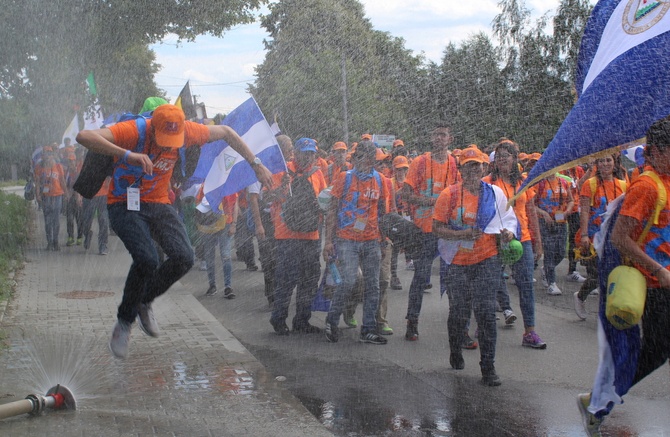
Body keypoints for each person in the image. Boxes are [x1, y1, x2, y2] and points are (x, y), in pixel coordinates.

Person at [76, 103, 272, 358]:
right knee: (147, 259)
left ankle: (144, 301)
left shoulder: (188, 130)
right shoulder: (135, 130)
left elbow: (226, 132)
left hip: (158, 203)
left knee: (184, 257)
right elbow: (84, 137)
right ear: (153, 128)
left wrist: (256, 163)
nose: (170, 145)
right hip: (124, 204)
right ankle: (124, 322)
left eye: (174, 140)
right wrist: (127, 154)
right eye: (164, 139)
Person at [577, 117, 670, 435]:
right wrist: (659, 269)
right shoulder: (646, 186)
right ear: (656, 152)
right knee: (656, 352)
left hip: (663, 278)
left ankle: (599, 399)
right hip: (652, 282)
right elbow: (620, 238)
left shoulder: (667, 181)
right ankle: (599, 401)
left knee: (657, 352)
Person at [433, 146, 516, 386]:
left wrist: (508, 234)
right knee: (459, 312)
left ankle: (487, 367)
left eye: (476, 165)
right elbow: (436, 228)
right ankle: (455, 350)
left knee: (486, 312)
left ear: (484, 168)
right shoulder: (449, 195)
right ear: (460, 169)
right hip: (457, 261)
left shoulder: (495, 194)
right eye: (467, 166)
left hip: (487, 259)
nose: (472, 170)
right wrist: (462, 234)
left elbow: (508, 221)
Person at [323, 140, 391, 344]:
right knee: (349, 281)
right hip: (346, 239)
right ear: (356, 158)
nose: (367, 161)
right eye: (362, 157)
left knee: (373, 284)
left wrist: (383, 238)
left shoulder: (380, 180)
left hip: (371, 240)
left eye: (371, 158)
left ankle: (368, 329)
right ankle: (331, 321)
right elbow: (332, 209)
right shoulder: (344, 178)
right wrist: (328, 241)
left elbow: (382, 213)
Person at [483, 140, 547, 349]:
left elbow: (530, 213)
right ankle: (484, 323)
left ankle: (530, 331)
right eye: (499, 155)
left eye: (506, 155)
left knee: (526, 285)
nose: (502, 159)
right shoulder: (487, 183)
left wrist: (538, 243)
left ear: (514, 158)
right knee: (490, 283)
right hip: (495, 241)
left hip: (523, 240)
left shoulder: (524, 183)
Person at [401, 123, 460, 341]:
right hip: (423, 229)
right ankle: (411, 321)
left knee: (453, 277)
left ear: (450, 139)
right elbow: (405, 194)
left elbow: (456, 193)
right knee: (421, 276)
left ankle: (458, 326)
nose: (439, 138)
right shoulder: (420, 162)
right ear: (431, 137)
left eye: (443, 135)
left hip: (444, 229)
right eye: (436, 134)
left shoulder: (453, 163)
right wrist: (432, 201)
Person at [268, 138, 327, 335]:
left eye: (311, 153)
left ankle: (302, 320)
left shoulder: (317, 173)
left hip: (311, 235)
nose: (308, 157)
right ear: (296, 153)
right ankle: (278, 320)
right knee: (286, 280)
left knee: (309, 281)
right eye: (305, 153)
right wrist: (281, 187)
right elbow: (267, 198)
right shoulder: (282, 171)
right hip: (287, 236)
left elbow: (324, 201)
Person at [574, 154, 627, 320]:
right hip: (594, 236)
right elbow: (584, 212)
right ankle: (580, 296)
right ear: (596, 164)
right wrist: (584, 235)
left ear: (615, 163)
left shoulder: (624, 185)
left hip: (614, 237)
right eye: (601, 161)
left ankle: (607, 311)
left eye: (608, 160)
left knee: (614, 274)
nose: (605, 164)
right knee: (598, 275)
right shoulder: (590, 184)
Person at [249, 134, 293, 309]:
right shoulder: (262, 168)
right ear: (280, 149)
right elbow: (257, 198)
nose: (291, 152)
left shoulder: (288, 168)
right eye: (288, 148)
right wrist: (259, 225)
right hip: (267, 220)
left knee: (284, 259)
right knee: (270, 259)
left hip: (284, 220)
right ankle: (272, 296)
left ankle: (281, 293)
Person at [534, 172, 574, 295]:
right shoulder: (539, 183)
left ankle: (546, 269)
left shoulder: (563, 182)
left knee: (561, 251)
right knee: (550, 251)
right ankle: (551, 283)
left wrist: (567, 211)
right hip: (545, 222)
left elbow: (571, 200)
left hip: (561, 220)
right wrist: (544, 214)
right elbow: (532, 205)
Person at [196, 189, 238, 299]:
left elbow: (235, 204)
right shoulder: (206, 186)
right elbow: (199, 206)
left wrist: (234, 224)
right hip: (209, 225)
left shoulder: (229, 185)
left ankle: (228, 286)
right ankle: (212, 285)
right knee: (210, 257)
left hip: (226, 224)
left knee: (226, 255)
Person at [34, 144, 67, 251]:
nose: (47, 155)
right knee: (48, 220)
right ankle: (49, 242)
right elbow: (37, 182)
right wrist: (38, 194)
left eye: (49, 153)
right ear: (43, 155)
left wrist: (66, 193)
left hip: (57, 195)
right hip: (46, 196)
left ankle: (56, 242)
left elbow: (62, 181)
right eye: (46, 153)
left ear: (52, 154)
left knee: (56, 220)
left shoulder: (58, 166)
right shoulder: (39, 167)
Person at [390, 156, 410, 290]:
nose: (401, 171)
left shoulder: (410, 182)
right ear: (394, 169)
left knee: (415, 247)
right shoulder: (390, 183)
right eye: (398, 169)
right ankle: (393, 276)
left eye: (404, 169)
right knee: (394, 250)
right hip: (395, 219)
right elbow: (389, 201)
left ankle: (422, 277)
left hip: (408, 219)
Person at [80, 174, 111, 255]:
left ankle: (103, 245)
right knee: (86, 220)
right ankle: (87, 234)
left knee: (104, 220)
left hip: (103, 195)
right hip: (89, 196)